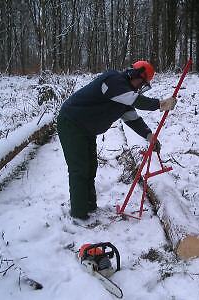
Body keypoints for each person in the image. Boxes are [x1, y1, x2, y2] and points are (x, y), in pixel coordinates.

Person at [57, 60, 177, 220]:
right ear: (136, 75)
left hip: (86, 128)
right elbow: (137, 101)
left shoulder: (124, 95)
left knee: (90, 167)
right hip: (71, 123)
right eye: (142, 83)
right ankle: (79, 214)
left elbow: (133, 119)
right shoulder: (113, 81)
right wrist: (160, 104)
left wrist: (150, 136)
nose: (141, 88)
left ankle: (89, 206)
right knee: (79, 169)